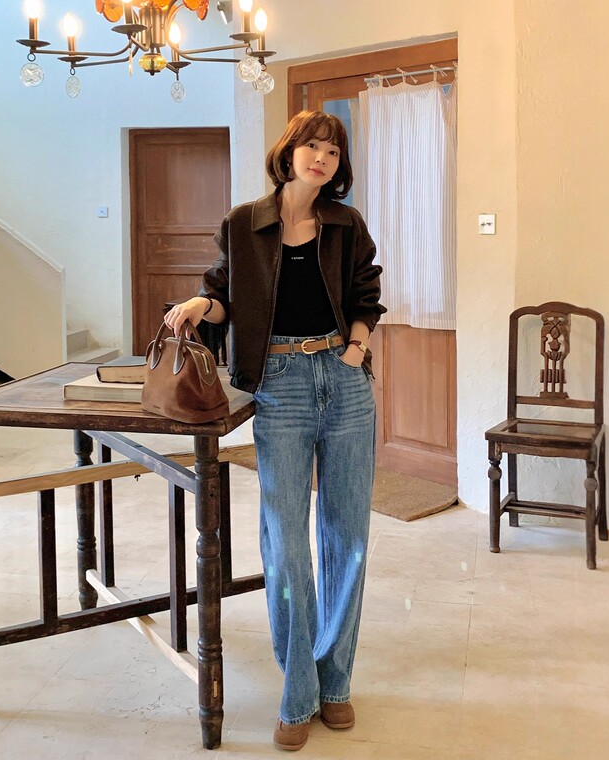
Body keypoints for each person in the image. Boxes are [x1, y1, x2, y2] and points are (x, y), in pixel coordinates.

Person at [164, 110, 385, 752]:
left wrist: (356, 350)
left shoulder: (346, 225)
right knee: (286, 542)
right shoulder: (244, 223)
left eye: (333, 152)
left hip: (344, 379)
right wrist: (202, 304)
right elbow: (225, 296)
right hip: (280, 384)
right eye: (312, 146)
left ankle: (335, 682)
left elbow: (366, 295)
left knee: (347, 536)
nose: (322, 158)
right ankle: (299, 689)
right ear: (288, 154)